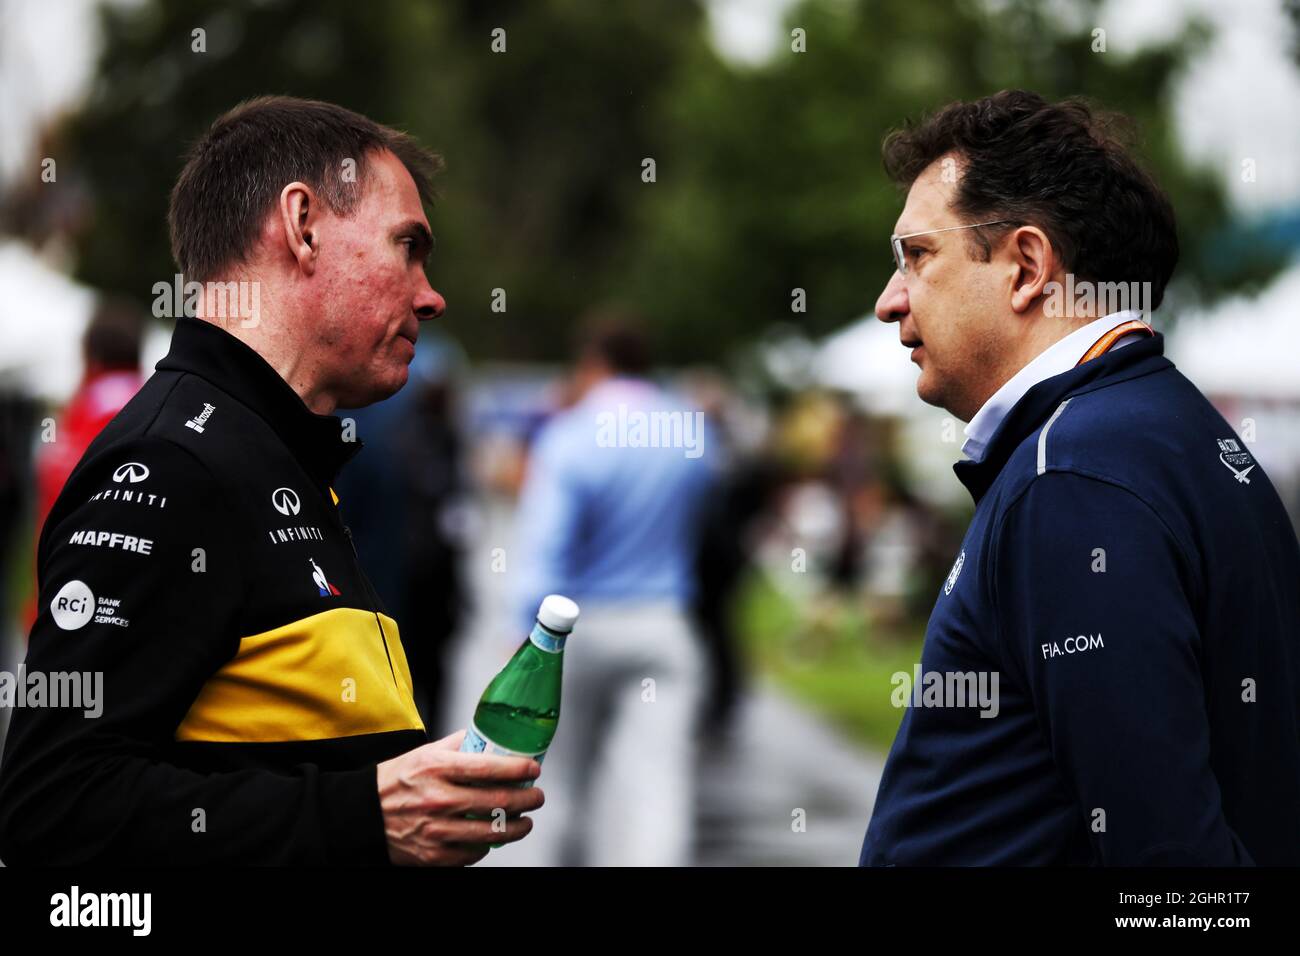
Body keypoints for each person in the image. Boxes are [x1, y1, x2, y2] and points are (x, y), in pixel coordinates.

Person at [0, 96, 543, 866]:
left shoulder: (273, 451)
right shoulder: (174, 463)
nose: (431, 295)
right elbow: (53, 806)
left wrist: (409, 790)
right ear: (303, 226)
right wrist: (367, 816)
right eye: (408, 246)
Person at [860, 90, 1300, 865]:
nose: (889, 301)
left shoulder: (1070, 480)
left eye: (918, 256)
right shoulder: (1170, 432)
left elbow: (1168, 864)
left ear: (1027, 267)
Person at [509, 314, 717, 866]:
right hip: (663, 621)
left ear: (592, 362)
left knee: (554, 778)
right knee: (658, 783)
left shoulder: (570, 435)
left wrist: (525, 629)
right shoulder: (688, 432)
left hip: (580, 628)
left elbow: (546, 546)